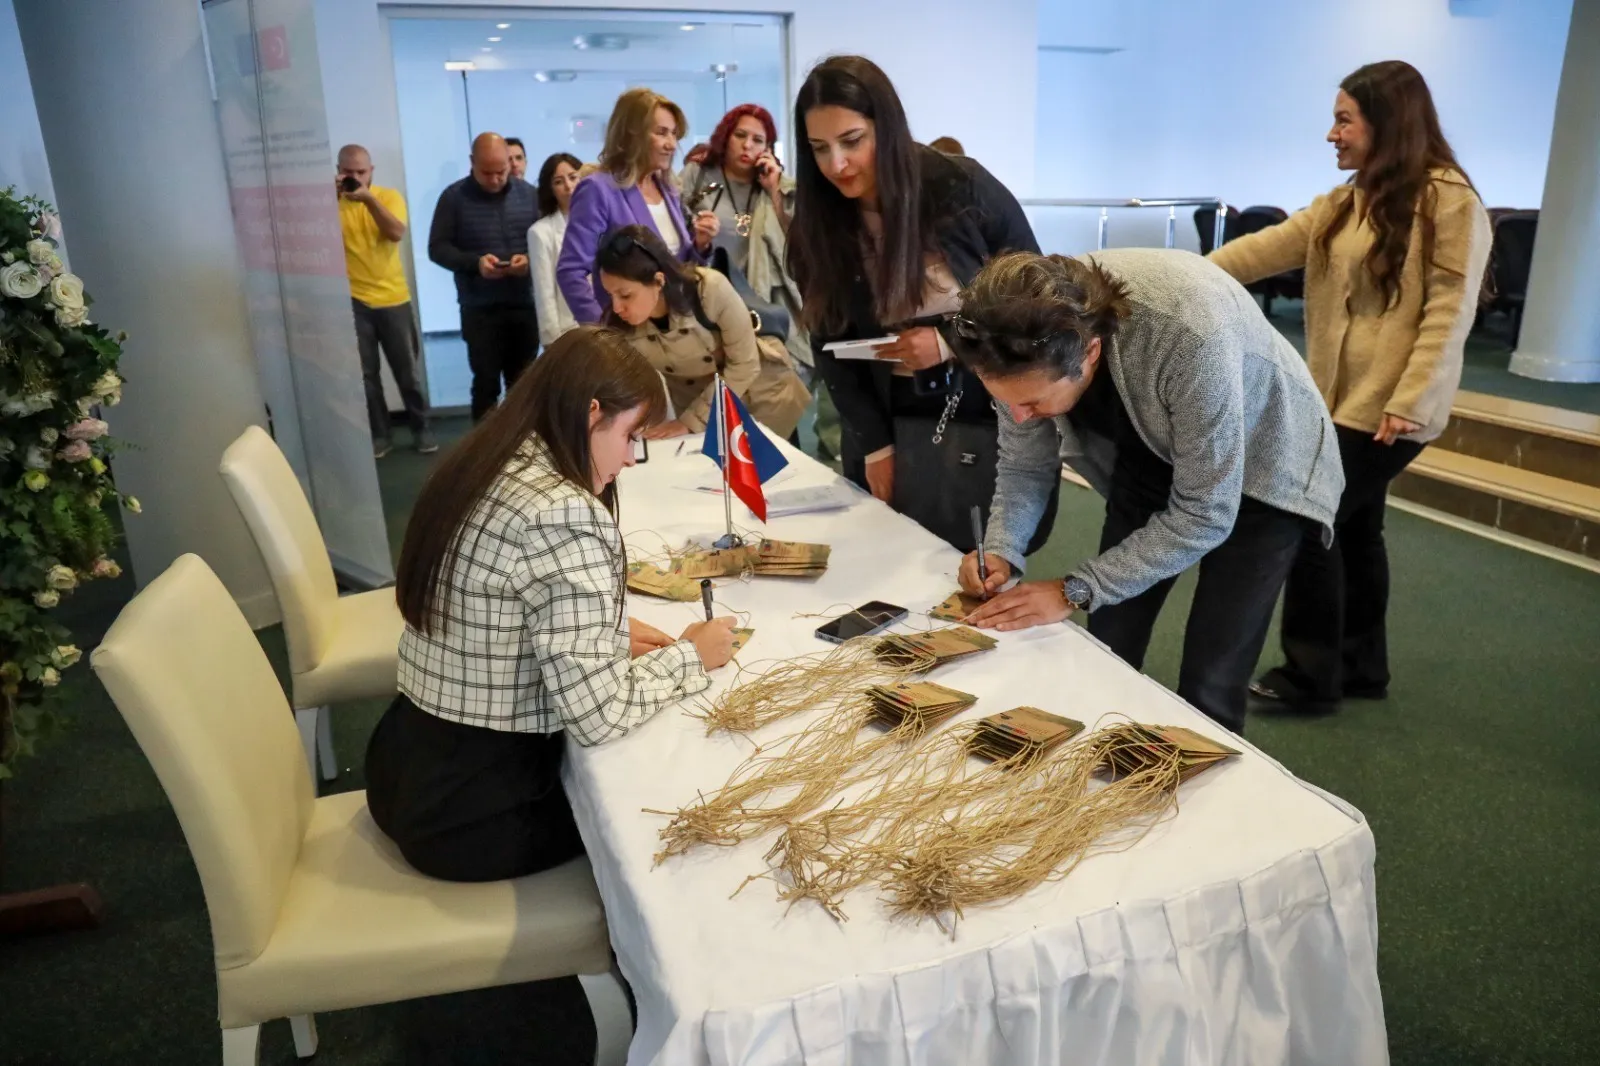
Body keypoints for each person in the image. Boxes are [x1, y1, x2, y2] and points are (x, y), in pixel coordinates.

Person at [365, 327, 738, 882]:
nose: (633, 459)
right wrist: (690, 655)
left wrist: (604, 634)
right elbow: (599, 715)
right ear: (592, 413)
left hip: (404, 766)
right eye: (631, 435)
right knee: (677, 822)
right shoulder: (563, 511)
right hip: (476, 813)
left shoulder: (489, 457)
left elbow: (503, 607)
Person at [950, 249, 1345, 734]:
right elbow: (1023, 466)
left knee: (1212, 671)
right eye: (1004, 401)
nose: (1019, 417)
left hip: (1264, 469)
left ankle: (1204, 789)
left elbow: (1205, 514)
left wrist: (1076, 588)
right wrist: (1002, 548)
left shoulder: (1188, 333)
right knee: (1111, 637)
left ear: (1089, 352)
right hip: (1149, 453)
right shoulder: (1020, 336)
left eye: (1032, 402)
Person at [1208, 60, 1490, 713]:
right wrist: (1176, 278)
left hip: (1391, 408)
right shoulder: (1347, 200)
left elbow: (1449, 312)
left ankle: (1309, 678)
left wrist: (1412, 401)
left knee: (1311, 524)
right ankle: (1362, 668)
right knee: (1358, 531)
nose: (1331, 134)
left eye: (1344, 120)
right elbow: (1259, 252)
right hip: (1335, 401)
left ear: (1386, 123)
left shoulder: (1450, 201)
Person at [786, 55, 1054, 554]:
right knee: (886, 562)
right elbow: (828, 344)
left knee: (981, 563)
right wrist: (875, 444)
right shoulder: (817, 224)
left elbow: (1036, 295)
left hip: (977, 411)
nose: (836, 166)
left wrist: (950, 341)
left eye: (852, 141)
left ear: (885, 129)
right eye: (819, 149)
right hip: (881, 416)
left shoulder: (962, 187)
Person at [597, 225, 809, 440]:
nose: (616, 307)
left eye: (625, 295)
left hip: (759, 396)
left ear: (658, 281)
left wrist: (691, 420)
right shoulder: (620, 323)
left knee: (773, 469)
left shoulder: (709, 289)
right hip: (698, 410)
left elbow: (745, 364)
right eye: (609, 294)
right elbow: (621, 381)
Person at [557, 88, 718, 324]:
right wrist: (602, 333)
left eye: (674, 134)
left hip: (677, 328)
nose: (671, 144)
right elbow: (571, 272)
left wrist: (700, 245)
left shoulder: (669, 190)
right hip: (626, 333)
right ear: (631, 134)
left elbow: (675, 267)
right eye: (662, 133)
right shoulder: (598, 189)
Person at [680, 103, 814, 381]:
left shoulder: (772, 186)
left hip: (757, 302)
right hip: (706, 301)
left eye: (757, 140)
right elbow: (675, 229)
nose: (747, 146)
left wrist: (774, 189)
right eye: (740, 136)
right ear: (725, 135)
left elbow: (793, 242)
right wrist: (699, 240)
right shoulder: (700, 175)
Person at [428, 132, 540, 421]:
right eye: (486, 173)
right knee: (486, 385)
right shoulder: (453, 198)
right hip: (480, 310)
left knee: (525, 386)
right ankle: (485, 457)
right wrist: (474, 263)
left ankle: (526, 451)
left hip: (524, 305)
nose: (495, 179)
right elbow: (437, 249)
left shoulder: (529, 195)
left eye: (501, 171)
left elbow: (544, 244)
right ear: (471, 163)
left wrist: (529, 259)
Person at [335, 143, 435, 458]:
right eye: (347, 172)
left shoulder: (388, 196)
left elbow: (395, 232)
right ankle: (381, 434)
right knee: (365, 376)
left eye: (360, 172)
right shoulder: (329, 203)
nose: (354, 178)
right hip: (353, 300)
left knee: (408, 372)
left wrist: (367, 199)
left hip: (393, 298)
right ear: (337, 171)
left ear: (371, 171)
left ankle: (422, 428)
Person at [528, 151, 583, 348]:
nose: (568, 186)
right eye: (559, 182)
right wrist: (552, 340)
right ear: (550, 189)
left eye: (573, 177)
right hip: (568, 331)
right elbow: (545, 293)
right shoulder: (541, 232)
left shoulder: (603, 222)